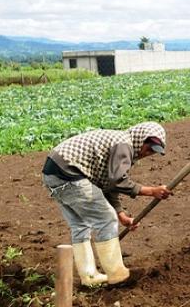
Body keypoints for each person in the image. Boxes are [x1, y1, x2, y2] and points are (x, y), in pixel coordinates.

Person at [41, 121, 172, 286]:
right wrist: (151, 191)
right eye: (149, 148)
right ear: (141, 139)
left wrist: (122, 215)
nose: (148, 153)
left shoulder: (121, 143)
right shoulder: (124, 145)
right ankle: (117, 275)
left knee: (80, 225)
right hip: (69, 172)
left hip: (54, 173)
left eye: (153, 152)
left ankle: (89, 277)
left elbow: (108, 185)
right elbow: (116, 180)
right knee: (106, 219)